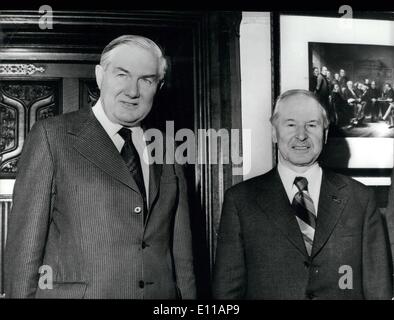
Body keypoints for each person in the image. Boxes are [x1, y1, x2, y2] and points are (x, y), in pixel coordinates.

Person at [4, 35, 196, 299]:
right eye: (122, 75)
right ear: (99, 76)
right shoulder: (52, 136)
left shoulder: (168, 146)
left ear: (159, 86)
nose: (132, 91)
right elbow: (24, 252)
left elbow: (182, 255)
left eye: (146, 80)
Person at [212, 89, 392, 300]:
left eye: (311, 125)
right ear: (273, 132)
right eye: (290, 124)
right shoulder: (241, 200)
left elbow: (378, 290)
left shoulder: (360, 199)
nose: (301, 135)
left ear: (324, 134)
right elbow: (226, 294)